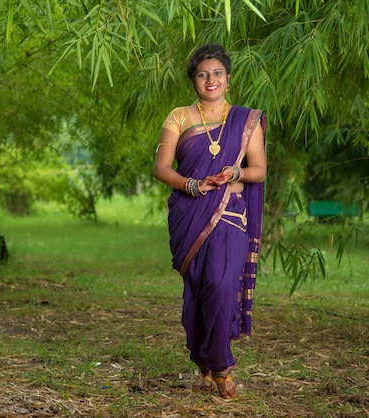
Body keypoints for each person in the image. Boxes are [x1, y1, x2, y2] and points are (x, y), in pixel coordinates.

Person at [153, 43, 266, 399]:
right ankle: (203, 364)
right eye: (203, 74)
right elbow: (161, 168)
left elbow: (259, 170)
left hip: (230, 217)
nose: (210, 79)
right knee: (200, 290)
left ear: (228, 80)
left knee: (219, 287)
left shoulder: (246, 121)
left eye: (217, 73)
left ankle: (221, 366)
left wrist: (235, 171)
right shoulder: (179, 117)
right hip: (189, 213)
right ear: (194, 82)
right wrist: (192, 184)